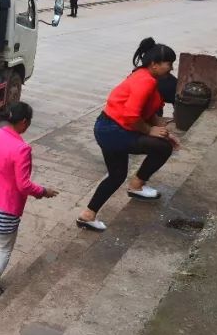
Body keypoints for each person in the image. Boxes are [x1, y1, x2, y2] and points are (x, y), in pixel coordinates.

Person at [77, 38, 180, 232]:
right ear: (155, 65)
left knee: (116, 175)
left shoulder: (143, 75)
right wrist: (150, 131)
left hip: (107, 127)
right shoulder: (147, 81)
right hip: (114, 130)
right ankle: (137, 185)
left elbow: (149, 114)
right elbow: (132, 116)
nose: (171, 68)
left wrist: (164, 132)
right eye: (169, 64)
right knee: (163, 148)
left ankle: (87, 215)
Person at [0, 102, 58, 299]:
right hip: (3, 209)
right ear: (23, 122)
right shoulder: (22, 148)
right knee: (5, 247)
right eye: (28, 122)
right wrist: (43, 191)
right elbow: (23, 185)